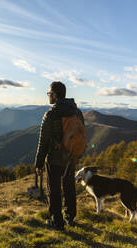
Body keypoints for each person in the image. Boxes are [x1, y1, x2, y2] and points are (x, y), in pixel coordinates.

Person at [35, 81, 85, 230]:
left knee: (54, 190)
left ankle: (57, 221)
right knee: (69, 186)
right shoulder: (77, 112)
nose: (49, 96)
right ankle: (70, 217)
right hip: (71, 157)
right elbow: (80, 134)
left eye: (50, 94)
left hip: (55, 158)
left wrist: (38, 163)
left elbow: (43, 141)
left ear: (55, 95)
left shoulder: (51, 114)